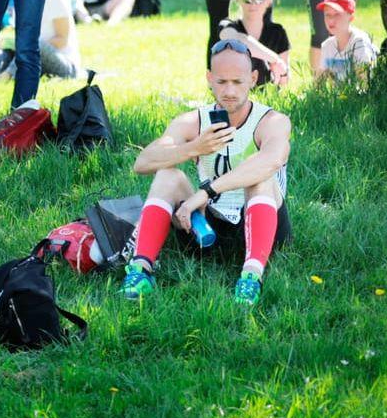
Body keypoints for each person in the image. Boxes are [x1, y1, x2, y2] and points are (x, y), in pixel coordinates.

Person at [119, 40, 291, 306]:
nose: (230, 91)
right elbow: (142, 162)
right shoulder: (193, 120)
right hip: (208, 227)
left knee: (260, 178)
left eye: (238, 81)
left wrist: (206, 192)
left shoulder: (272, 121)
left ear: (254, 79)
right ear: (209, 79)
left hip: (264, 223)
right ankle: (141, 270)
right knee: (168, 175)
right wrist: (194, 147)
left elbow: (272, 160)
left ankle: (251, 277)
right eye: (221, 82)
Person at [216, 0, 290, 87]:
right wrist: (275, 59)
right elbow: (239, 41)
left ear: (268, 2)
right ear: (239, 0)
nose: (252, 3)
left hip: (268, 98)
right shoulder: (227, 25)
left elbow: (284, 80)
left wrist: (283, 71)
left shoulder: (277, 32)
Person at [315, 0, 379, 84]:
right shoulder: (327, 46)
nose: (331, 20)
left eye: (337, 14)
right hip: (339, 97)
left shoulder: (359, 42)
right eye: (327, 15)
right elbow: (318, 84)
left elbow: (364, 83)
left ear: (351, 18)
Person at [36, 0, 83, 80]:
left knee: (33, 46)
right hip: (38, 60)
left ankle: (7, 75)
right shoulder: (24, 0)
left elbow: (62, 40)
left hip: (66, 64)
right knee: (5, 49)